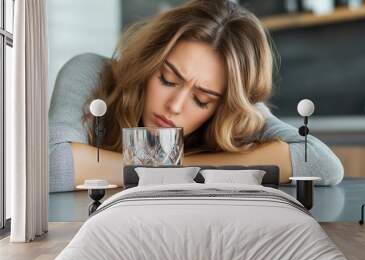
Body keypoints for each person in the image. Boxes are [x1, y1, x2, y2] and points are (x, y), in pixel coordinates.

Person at [48, 0, 343, 192]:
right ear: (149, 61)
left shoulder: (239, 114)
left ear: (222, 108)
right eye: (167, 79)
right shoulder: (93, 72)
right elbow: (47, 164)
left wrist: (172, 166)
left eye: (202, 100)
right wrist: (184, 168)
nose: (174, 106)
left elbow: (320, 161)